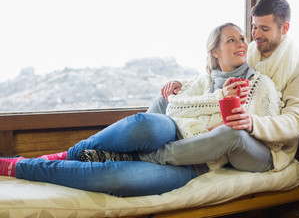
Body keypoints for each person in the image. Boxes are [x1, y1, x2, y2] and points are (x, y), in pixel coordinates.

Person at [0, 22, 282, 197]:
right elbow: (172, 107)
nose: (242, 43)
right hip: (173, 139)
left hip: (194, 165)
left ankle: (21, 166)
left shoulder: (260, 84)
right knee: (144, 122)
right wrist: (208, 98)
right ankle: (74, 153)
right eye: (231, 39)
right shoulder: (201, 82)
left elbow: (263, 135)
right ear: (215, 52)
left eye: (243, 38)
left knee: (116, 178)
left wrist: (232, 126)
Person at [138, 0, 299, 172]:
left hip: (268, 148)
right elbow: (223, 73)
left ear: (284, 28)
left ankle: (153, 156)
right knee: (166, 100)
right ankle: (135, 147)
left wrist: (252, 123)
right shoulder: (252, 51)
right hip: (238, 133)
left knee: (230, 133)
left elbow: (298, 121)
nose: (256, 35)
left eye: (264, 29)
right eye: (254, 27)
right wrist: (182, 85)